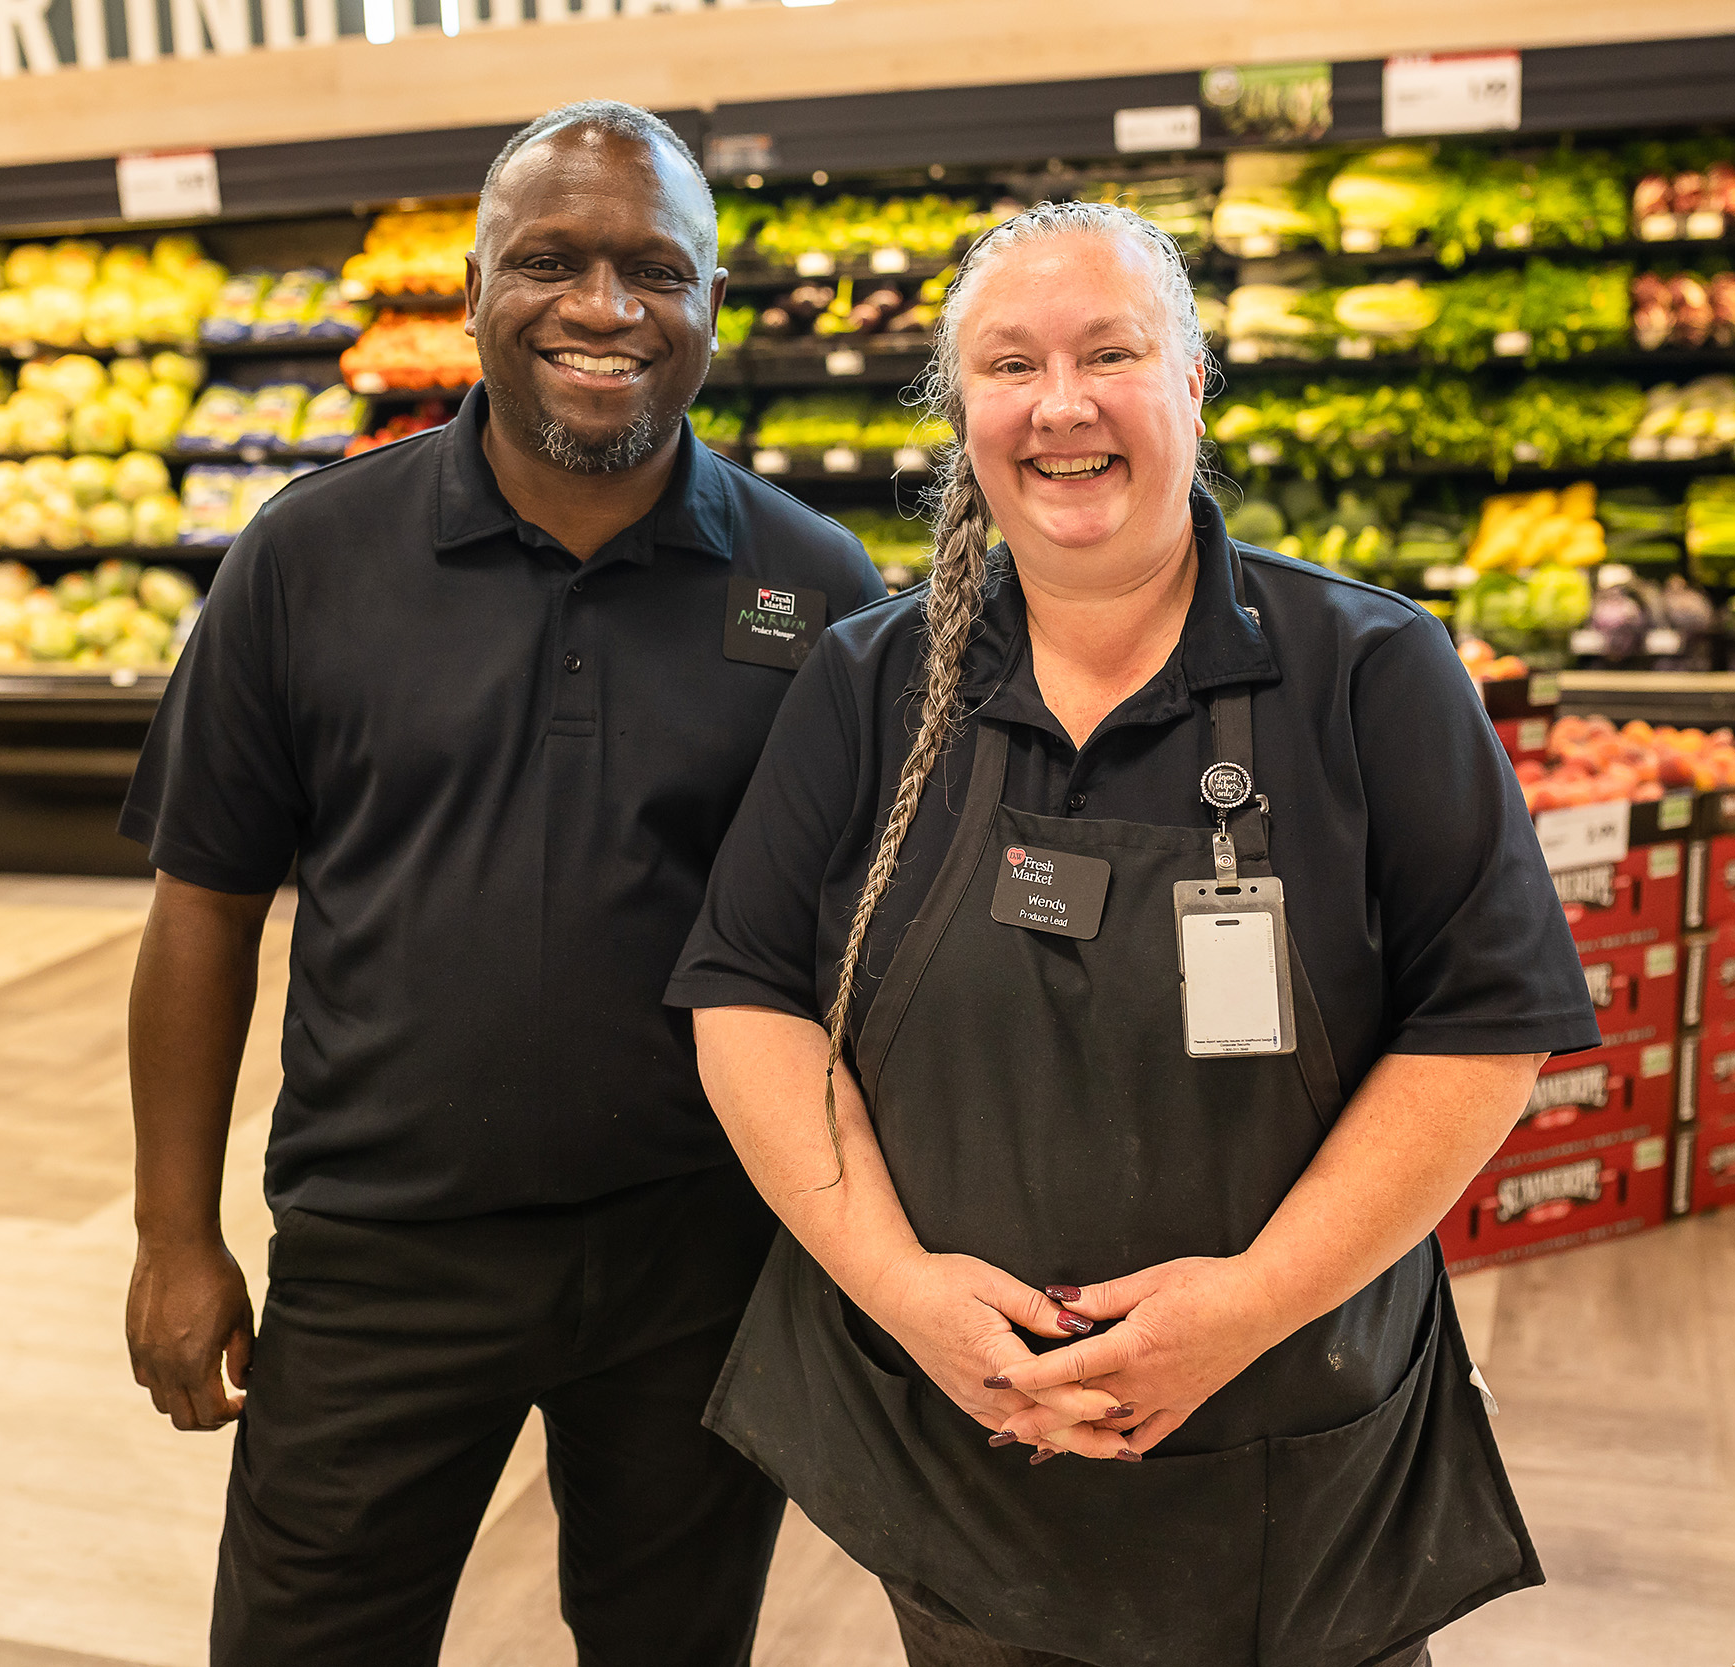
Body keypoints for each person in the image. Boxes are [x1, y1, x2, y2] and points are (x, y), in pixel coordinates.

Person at [667, 198, 1601, 1667]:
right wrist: (902, 1290)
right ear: (959, 408)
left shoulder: (1371, 670)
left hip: (1285, 1445)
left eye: (1111, 353)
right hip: (966, 1448)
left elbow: (1485, 1034)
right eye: (1007, 365)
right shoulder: (866, 681)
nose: (1061, 407)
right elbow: (747, 1002)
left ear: (1192, 384)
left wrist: (1246, 1309)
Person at [118, 100, 885, 1666]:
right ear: (476, 290)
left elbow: (863, 953)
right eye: (553, 262)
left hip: (704, 1251)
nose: (604, 309)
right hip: (381, 1244)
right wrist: (172, 1236)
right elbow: (205, 907)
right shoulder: (307, 559)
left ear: (710, 307)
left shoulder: (815, 588)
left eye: (654, 271)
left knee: (673, 1643)